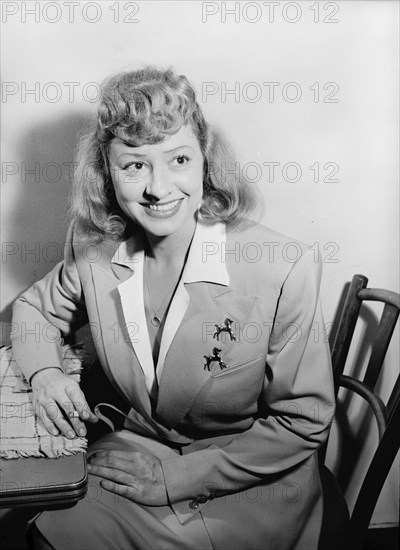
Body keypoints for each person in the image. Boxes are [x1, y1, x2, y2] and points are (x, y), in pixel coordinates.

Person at [11, 66, 335, 550]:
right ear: (107, 172)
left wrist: (178, 478)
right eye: (134, 165)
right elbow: (35, 311)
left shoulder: (284, 267)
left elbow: (302, 419)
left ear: (205, 160)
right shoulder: (95, 248)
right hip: (140, 447)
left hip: (248, 481)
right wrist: (45, 376)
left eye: (178, 159)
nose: (159, 189)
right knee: (45, 531)